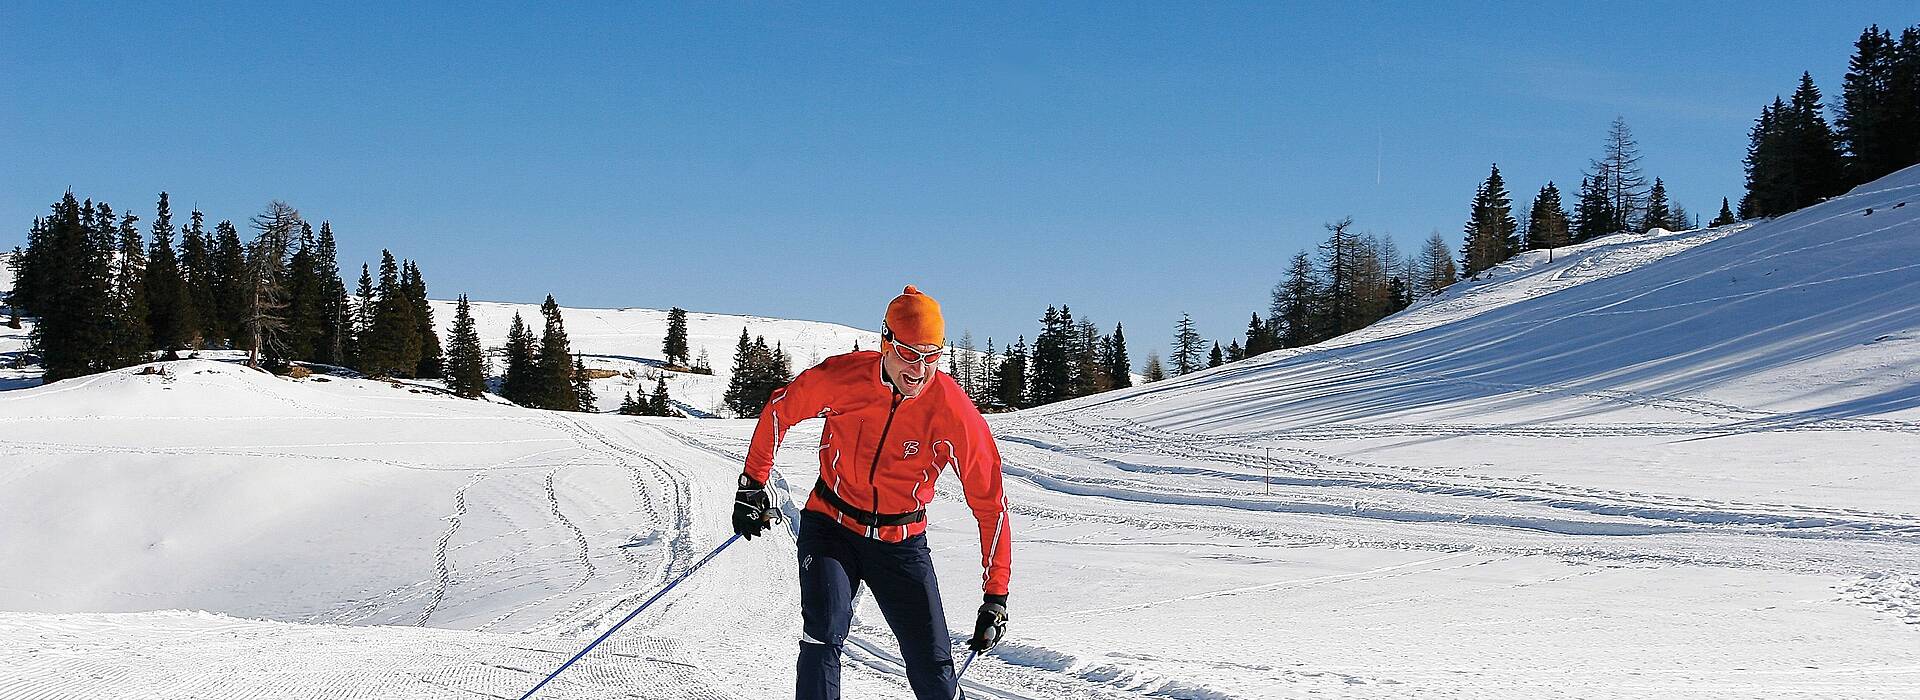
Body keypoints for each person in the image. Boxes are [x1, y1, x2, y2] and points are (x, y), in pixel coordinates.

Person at [733, 285, 1012, 700]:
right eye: (909, 353)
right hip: (831, 525)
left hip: (900, 545)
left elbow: (990, 504)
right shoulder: (843, 378)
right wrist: (752, 484)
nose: (919, 369)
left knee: (933, 666)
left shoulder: (951, 410)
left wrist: (996, 595)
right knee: (823, 633)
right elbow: (780, 409)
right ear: (886, 341)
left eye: (932, 355)